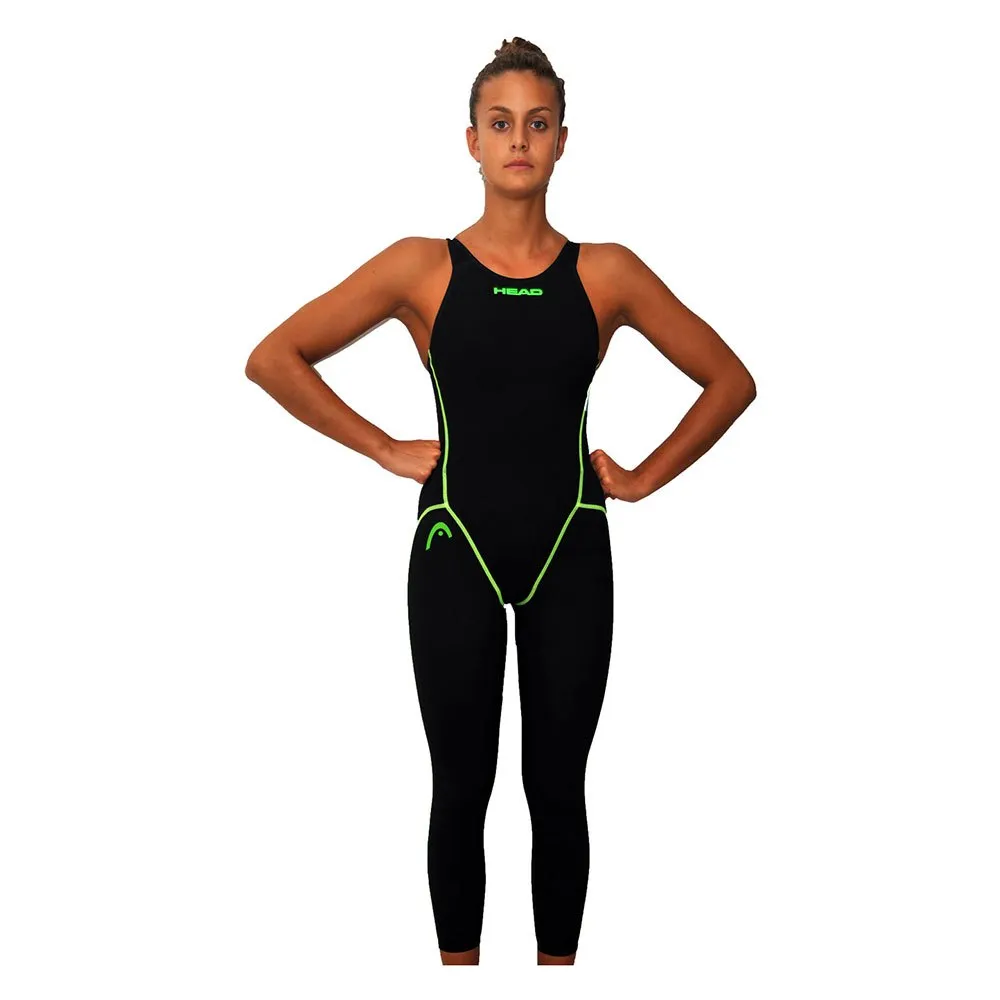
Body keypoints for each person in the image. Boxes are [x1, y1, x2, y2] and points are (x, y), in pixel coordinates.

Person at [245, 36, 756, 967]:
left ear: (562, 141)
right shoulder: (421, 268)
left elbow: (730, 380)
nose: (519, 139)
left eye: (537, 122)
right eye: (500, 122)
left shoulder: (607, 273)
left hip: (571, 549)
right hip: (457, 548)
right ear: (471, 142)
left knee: (558, 790)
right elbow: (274, 358)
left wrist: (642, 476)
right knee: (461, 789)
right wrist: (383, 447)